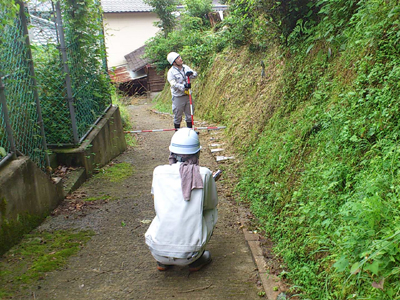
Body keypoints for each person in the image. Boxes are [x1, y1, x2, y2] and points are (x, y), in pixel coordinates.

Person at [145, 128, 218, 272]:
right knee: (211, 212)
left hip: (156, 248)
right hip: (191, 253)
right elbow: (210, 204)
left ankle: (162, 260)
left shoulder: (158, 171)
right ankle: (196, 261)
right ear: (197, 152)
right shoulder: (204, 174)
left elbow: (156, 199)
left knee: (163, 211)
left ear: (172, 152)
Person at [166, 52, 198, 130]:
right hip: (178, 97)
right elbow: (173, 84)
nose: (180, 59)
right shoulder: (171, 72)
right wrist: (183, 86)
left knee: (190, 114)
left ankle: (190, 132)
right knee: (178, 115)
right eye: (177, 58)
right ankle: (177, 133)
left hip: (187, 95)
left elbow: (195, 74)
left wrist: (192, 73)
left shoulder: (185, 67)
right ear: (173, 62)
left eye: (180, 57)